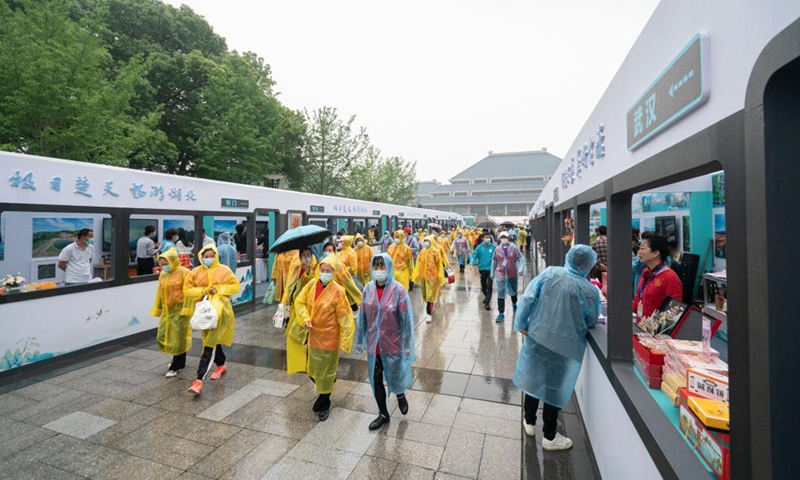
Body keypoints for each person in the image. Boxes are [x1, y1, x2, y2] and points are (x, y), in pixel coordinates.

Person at [513, 245, 601, 451]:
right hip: (565, 346)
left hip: (537, 336)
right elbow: (592, 319)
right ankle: (550, 436)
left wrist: (521, 324)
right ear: (588, 265)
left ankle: (529, 421)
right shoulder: (589, 290)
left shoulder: (551, 273)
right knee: (553, 387)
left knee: (533, 379)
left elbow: (527, 299)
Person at [286, 255, 355, 421]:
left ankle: (324, 403)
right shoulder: (311, 285)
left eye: (328, 271)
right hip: (312, 336)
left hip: (329, 338)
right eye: (322, 270)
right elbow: (299, 302)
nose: (324, 273)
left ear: (333, 272)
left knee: (325, 372)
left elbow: (345, 318)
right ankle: (328, 383)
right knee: (313, 370)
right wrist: (305, 317)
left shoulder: (338, 291)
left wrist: (346, 340)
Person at [354, 254, 415, 430]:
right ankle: (383, 414)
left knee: (395, 374)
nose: (379, 271)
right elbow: (362, 317)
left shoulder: (398, 290)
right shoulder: (368, 289)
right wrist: (360, 340)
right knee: (376, 378)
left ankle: (400, 394)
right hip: (375, 344)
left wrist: (407, 345)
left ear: (389, 268)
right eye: (376, 267)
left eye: (382, 267)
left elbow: (406, 320)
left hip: (393, 343)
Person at [184, 244, 241, 395]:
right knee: (210, 340)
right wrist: (204, 290)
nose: (208, 258)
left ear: (216, 256)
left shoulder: (224, 270)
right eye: (205, 256)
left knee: (209, 344)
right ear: (201, 256)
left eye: (211, 255)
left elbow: (235, 286)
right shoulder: (195, 272)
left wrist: (220, 289)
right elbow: (187, 290)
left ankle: (198, 379)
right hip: (204, 312)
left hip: (221, 311)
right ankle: (221, 364)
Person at [151, 248, 192, 377]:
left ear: (173, 261)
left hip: (180, 309)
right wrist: (158, 308)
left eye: (166, 263)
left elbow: (189, 292)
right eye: (162, 264)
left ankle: (177, 365)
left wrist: (187, 309)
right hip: (167, 310)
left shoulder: (185, 272)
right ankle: (177, 360)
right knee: (163, 334)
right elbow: (160, 292)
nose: (164, 266)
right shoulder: (163, 274)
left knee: (179, 336)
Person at [283, 247, 318, 373]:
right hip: (297, 305)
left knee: (308, 332)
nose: (306, 257)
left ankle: (311, 358)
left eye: (308, 254)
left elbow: (315, 283)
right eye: (303, 255)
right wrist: (285, 301)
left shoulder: (316, 267)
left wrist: (309, 272)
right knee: (295, 333)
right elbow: (290, 284)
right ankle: (302, 360)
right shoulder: (296, 267)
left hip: (311, 306)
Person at [633, 234, 683, 319]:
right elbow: (638, 299)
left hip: (656, 329)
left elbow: (674, 310)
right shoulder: (646, 272)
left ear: (655, 253)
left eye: (642, 249)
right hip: (641, 326)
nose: (639, 252)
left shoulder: (670, 278)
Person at [491, 231, 525, 322]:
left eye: (505, 237)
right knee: (500, 292)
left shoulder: (514, 248)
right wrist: (492, 273)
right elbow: (494, 261)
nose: (503, 239)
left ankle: (514, 305)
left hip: (512, 273)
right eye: (502, 237)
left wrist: (521, 269)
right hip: (500, 273)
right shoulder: (497, 249)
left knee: (513, 291)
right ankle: (501, 313)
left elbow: (520, 258)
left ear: (508, 237)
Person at [411, 235, 445, 319]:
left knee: (430, 295)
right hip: (424, 277)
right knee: (425, 295)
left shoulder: (436, 252)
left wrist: (440, 277)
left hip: (433, 277)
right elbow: (418, 264)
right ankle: (431, 308)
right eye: (425, 241)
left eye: (428, 241)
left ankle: (428, 313)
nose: (426, 243)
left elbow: (439, 266)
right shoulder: (422, 251)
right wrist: (416, 275)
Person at [470, 232, 495, 310]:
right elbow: (474, 256)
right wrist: (471, 264)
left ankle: (487, 303)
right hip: (482, 269)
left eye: (489, 237)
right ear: (482, 238)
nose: (488, 239)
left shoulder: (493, 247)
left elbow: (497, 256)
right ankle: (486, 295)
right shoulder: (479, 247)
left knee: (490, 286)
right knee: (483, 285)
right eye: (486, 237)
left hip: (490, 270)